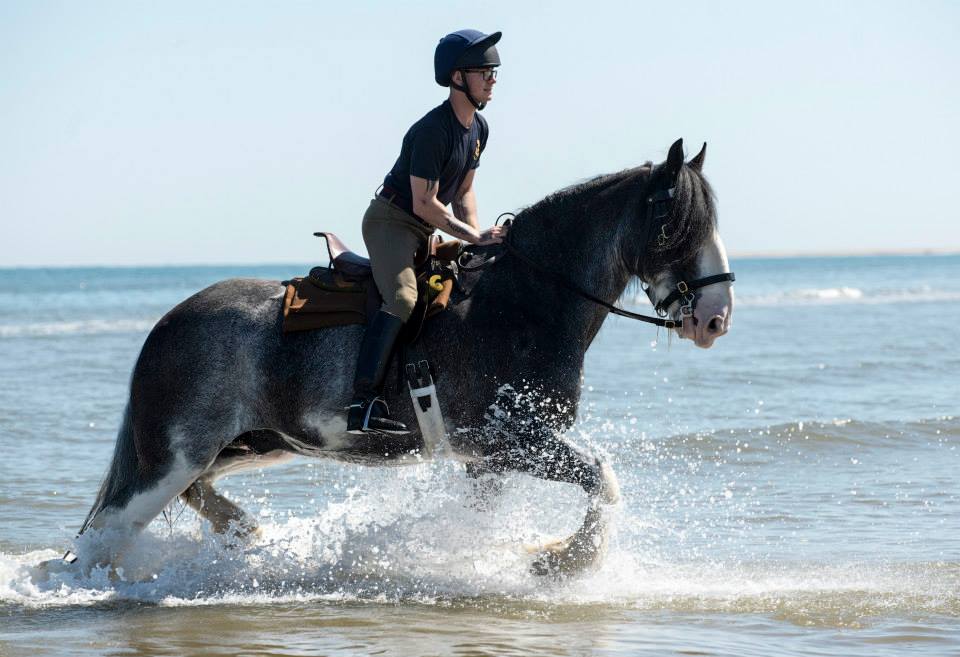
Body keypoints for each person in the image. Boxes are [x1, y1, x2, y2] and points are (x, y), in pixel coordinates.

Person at [347, 29, 508, 435]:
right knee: (403, 297)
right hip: (393, 221)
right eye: (484, 71)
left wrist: (478, 239)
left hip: (426, 226)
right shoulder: (434, 131)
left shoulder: (479, 129)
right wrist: (472, 237)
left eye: (494, 72)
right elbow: (424, 203)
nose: (492, 79)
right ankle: (362, 404)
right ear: (457, 77)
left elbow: (465, 191)